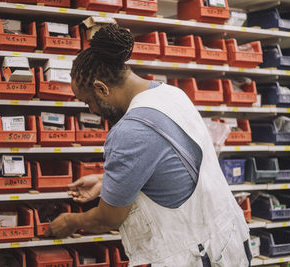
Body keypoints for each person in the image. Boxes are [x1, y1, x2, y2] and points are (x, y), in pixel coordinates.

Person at [45, 24, 252, 267]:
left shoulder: (128, 131)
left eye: (88, 101)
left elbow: (108, 219)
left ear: (101, 88)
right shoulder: (171, 94)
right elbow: (169, 163)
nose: (91, 110)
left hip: (193, 256)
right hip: (229, 239)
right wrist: (105, 182)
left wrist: (69, 222)